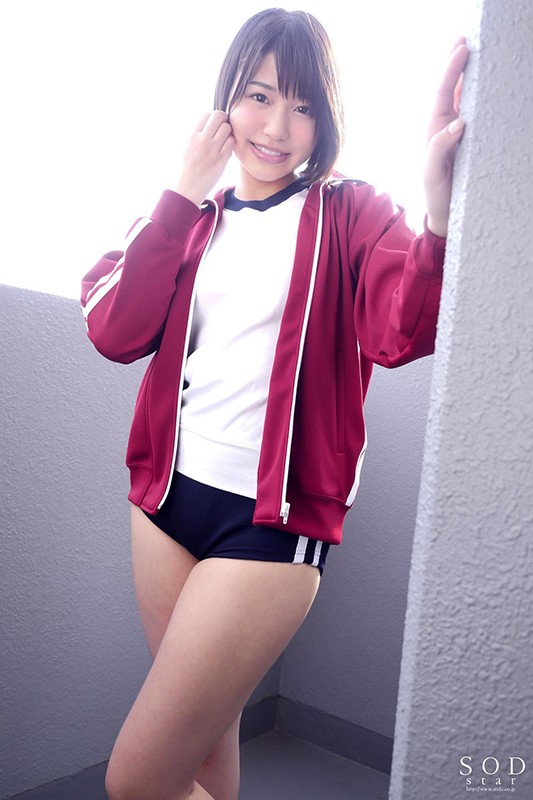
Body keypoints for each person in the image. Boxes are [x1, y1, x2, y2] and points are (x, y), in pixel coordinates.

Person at [81, 8, 468, 800]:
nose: (276, 127)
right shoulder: (190, 219)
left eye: (302, 106)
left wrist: (436, 211)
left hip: (270, 527)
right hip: (162, 504)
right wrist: (180, 191)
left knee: (137, 782)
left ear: (325, 119)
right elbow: (115, 331)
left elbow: (399, 331)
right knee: (203, 756)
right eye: (258, 96)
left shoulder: (351, 210)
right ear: (227, 98)